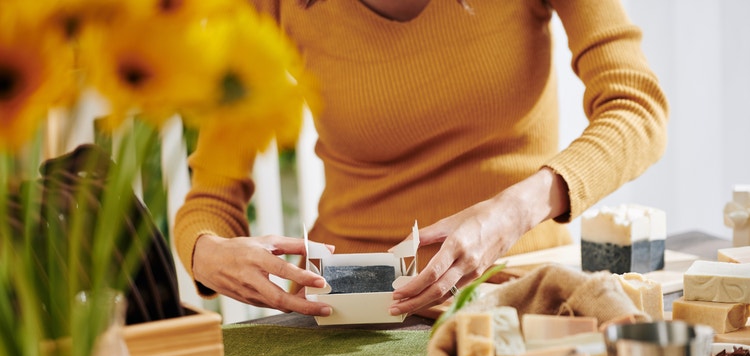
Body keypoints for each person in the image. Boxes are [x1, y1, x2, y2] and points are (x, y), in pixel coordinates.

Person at [174, 0, 669, 319]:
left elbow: (637, 109)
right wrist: (206, 252)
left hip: (523, 292)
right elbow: (212, 199)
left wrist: (514, 210)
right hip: (353, 315)